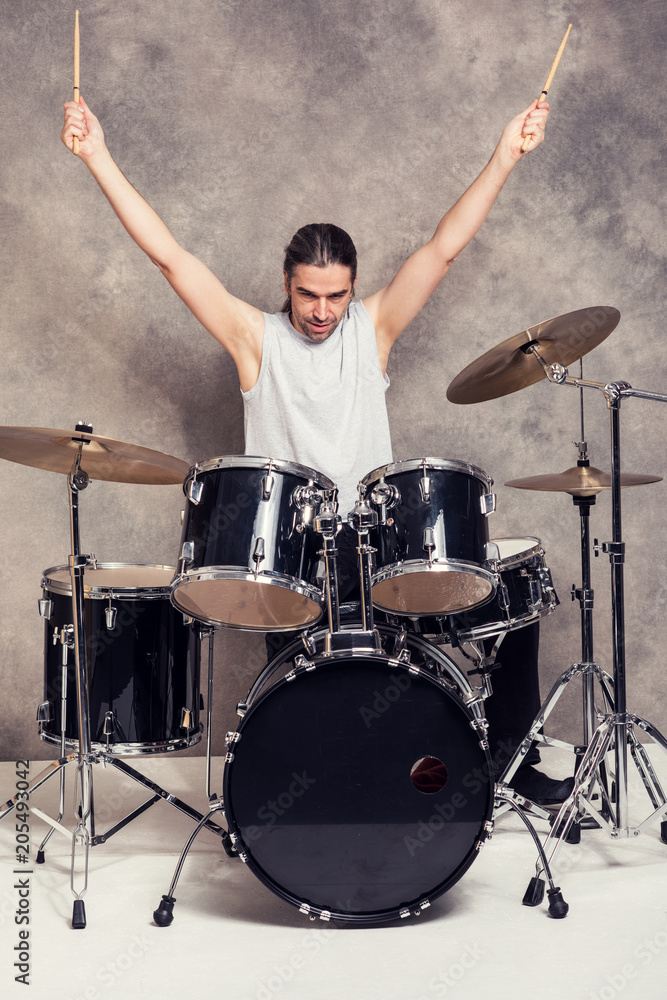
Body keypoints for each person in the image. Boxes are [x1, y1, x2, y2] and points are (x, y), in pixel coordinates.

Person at [60, 95, 573, 805]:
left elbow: (442, 249)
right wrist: (97, 156)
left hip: (378, 548)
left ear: (353, 290)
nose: (323, 312)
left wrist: (504, 156)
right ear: (287, 285)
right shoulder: (254, 339)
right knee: (317, 715)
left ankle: (507, 758)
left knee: (509, 596)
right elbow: (170, 258)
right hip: (294, 563)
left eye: (336, 296)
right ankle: (298, 802)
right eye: (308, 296)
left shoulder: (373, 328)